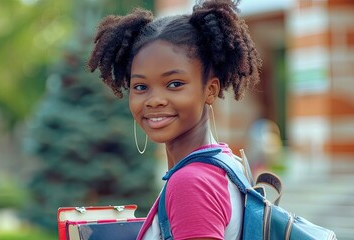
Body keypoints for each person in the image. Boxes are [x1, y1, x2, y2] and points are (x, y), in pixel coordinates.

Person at [88, 0, 262, 239]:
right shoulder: (228, 162)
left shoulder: (190, 183)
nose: (155, 100)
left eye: (174, 84)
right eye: (140, 86)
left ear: (210, 90)